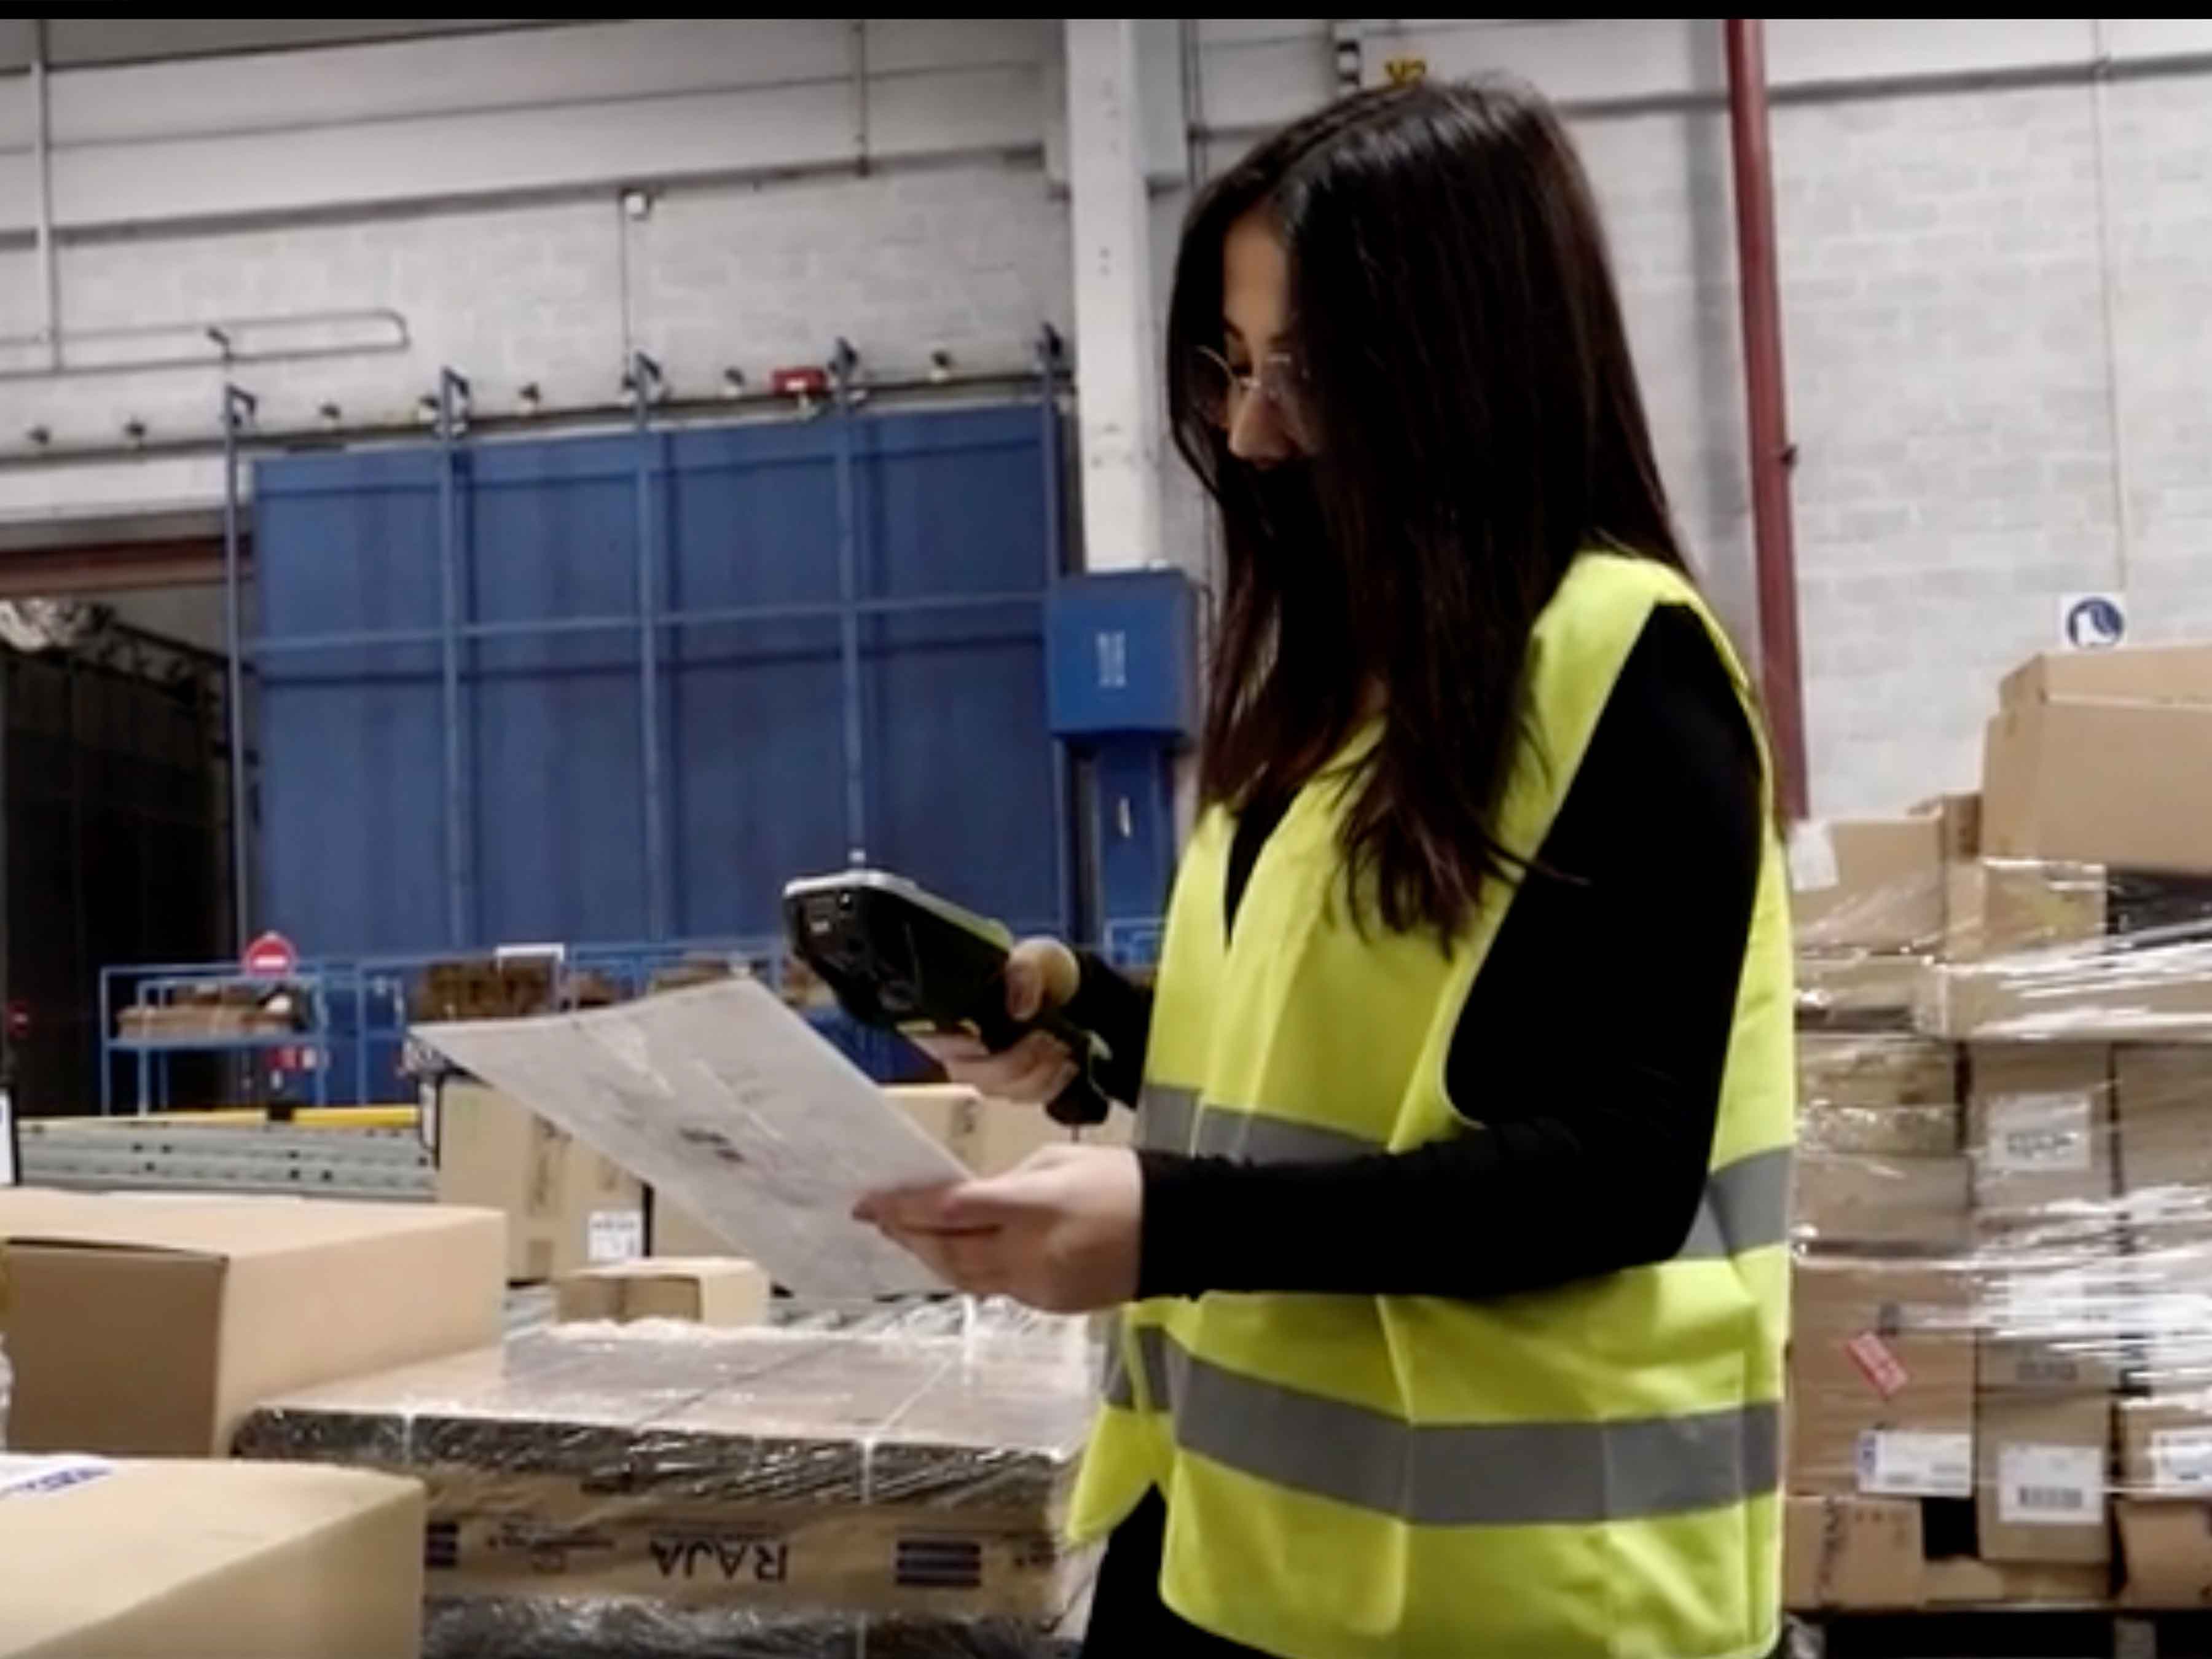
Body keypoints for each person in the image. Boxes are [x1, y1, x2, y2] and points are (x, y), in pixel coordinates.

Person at [856, 77, 1792, 1659]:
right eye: (1230, 365)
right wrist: (1087, 1028)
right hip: (1243, 1546)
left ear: (1465, 369)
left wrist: (1178, 1227)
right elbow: (1313, 1071)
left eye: (1305, 371)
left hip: (1525, 1603)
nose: (1250, 431)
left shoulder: (1625, 668)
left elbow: (1619, 1162)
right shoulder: (1339, 694)